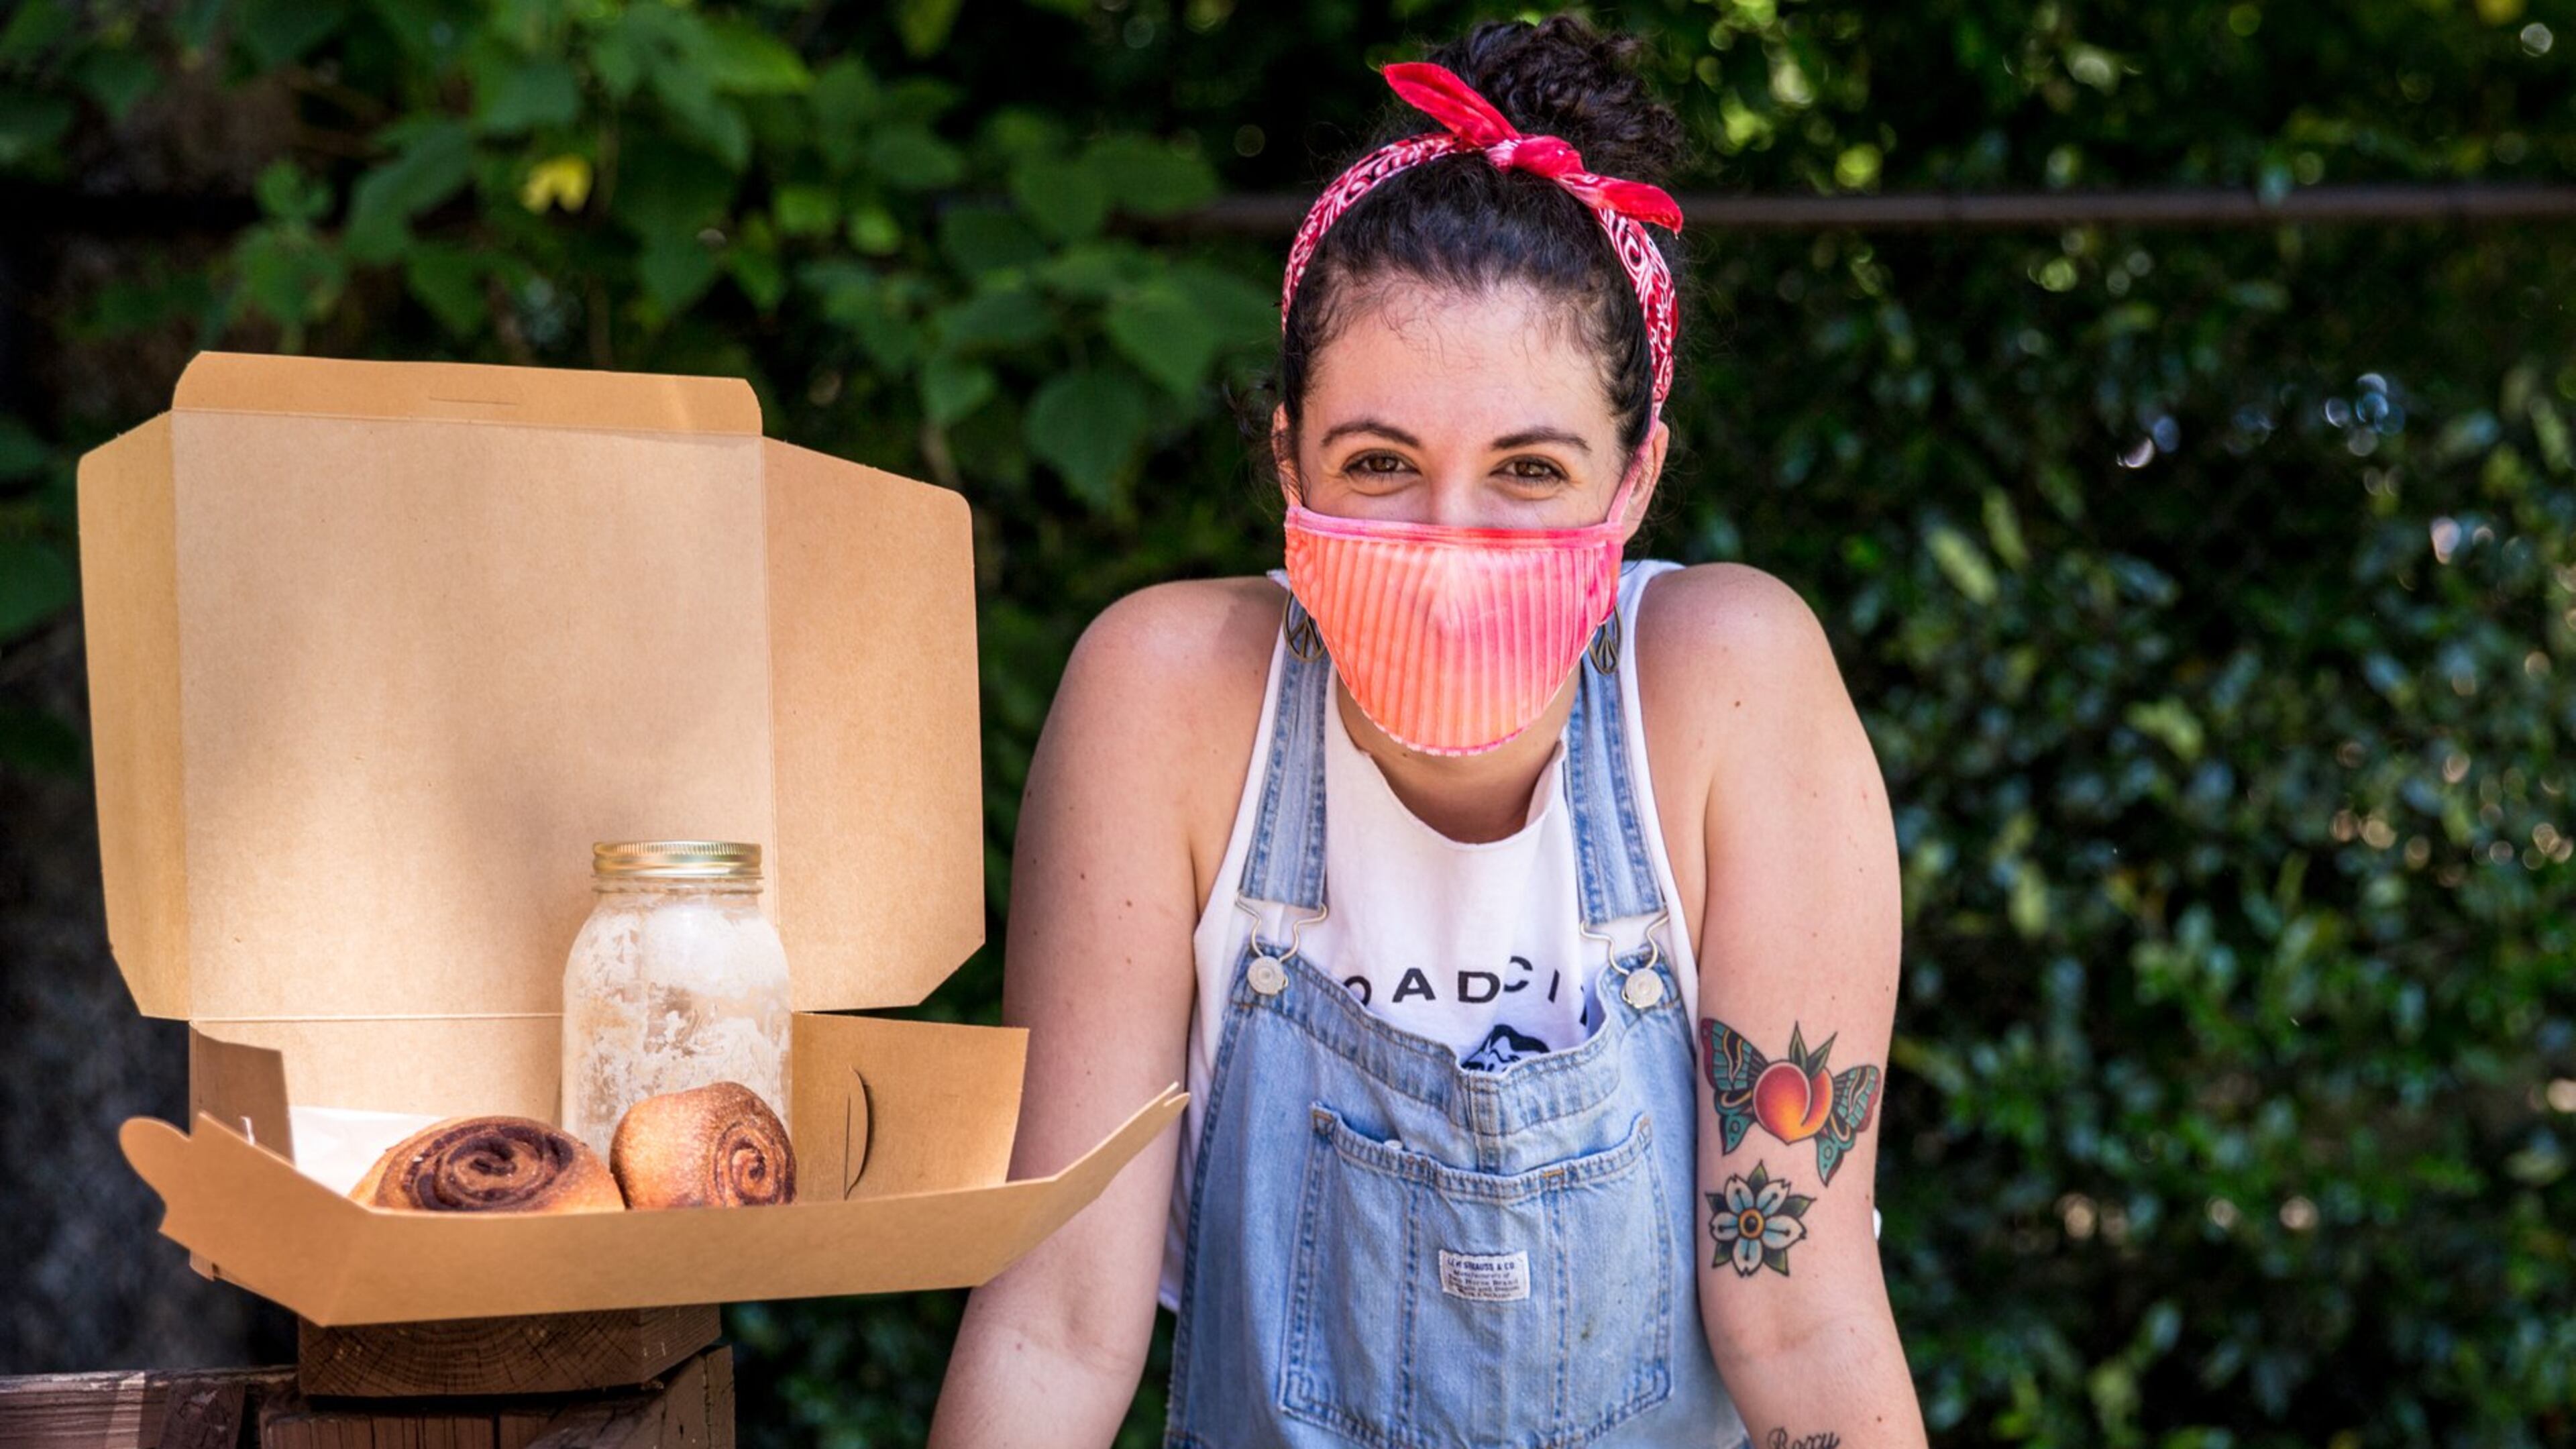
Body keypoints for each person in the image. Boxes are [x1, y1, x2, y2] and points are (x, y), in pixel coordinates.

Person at [929, 15, 1925, 1448]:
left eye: (1530, 468)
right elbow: (1055, 1323)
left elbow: (1803, 1319)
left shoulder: (1728, 691)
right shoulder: (1167, 701)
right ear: (1287, 456)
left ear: (1636, 479)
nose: (1452, 541)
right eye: (1379, 464)